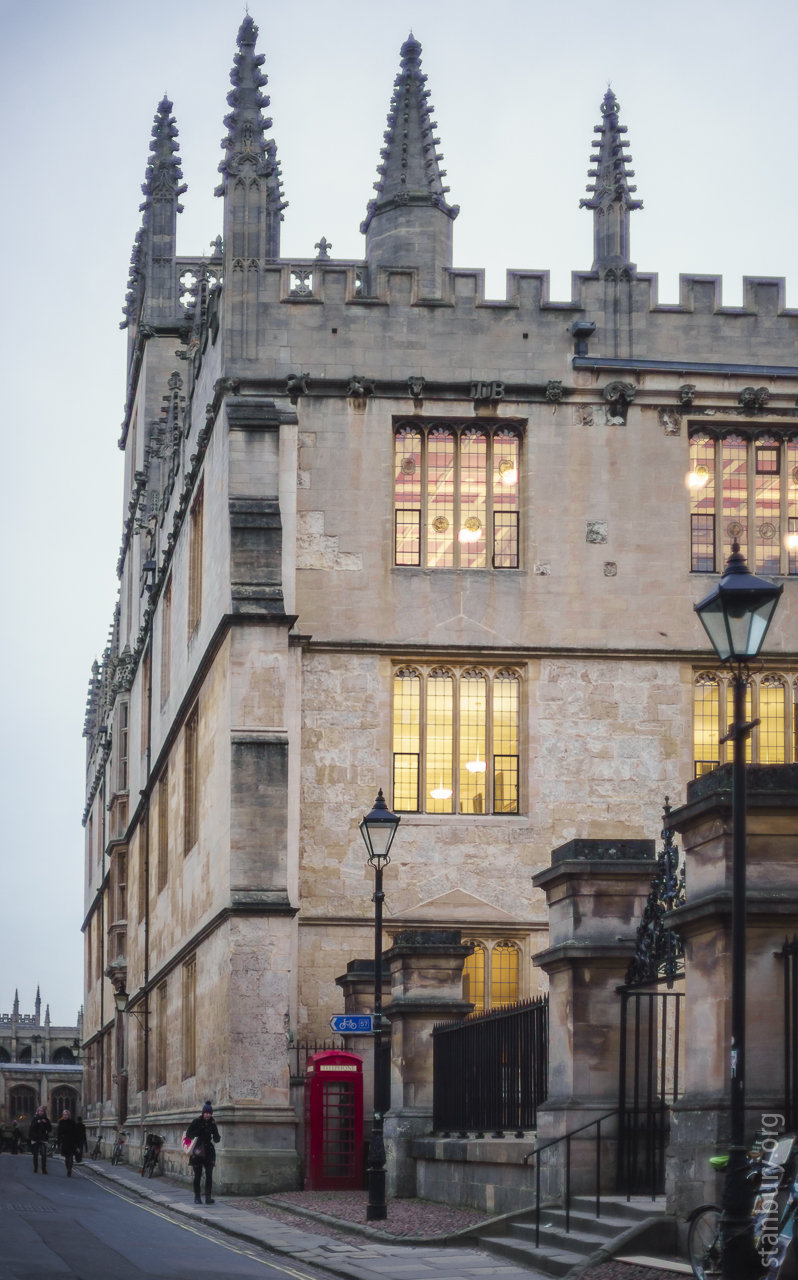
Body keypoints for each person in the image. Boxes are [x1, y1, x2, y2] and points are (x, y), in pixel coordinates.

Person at [185, 1101, 220, 1205]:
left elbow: (216, 1136)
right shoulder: (196, 1121)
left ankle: (208, 1197)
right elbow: (188, 1134)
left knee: (209, 1175)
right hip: (198, 1151)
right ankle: (197, 1196)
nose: (208, 1115)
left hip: (209, 1151)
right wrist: (198, 1132)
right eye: (206, 1113)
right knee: (198, 1175)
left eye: (209, 1113)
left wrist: (217, 1138)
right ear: (203, 1113)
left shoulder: (213, 1123)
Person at [29, 1106, 52, 1174]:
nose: (41, 1112)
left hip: (43, 1139)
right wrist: (38, 1122)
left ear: (44, 1112)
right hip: (35, 1139)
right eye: (39, 1111)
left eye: (42, 1111)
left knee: (44, 1155)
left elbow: (49, 1129)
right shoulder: (35, 1119)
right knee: (35, 1154)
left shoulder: (46, 1119)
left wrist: (46, 1123)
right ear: (37, 1112)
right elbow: (32, 1127)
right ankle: (35, 1168)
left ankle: (44, 1169)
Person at [56, 1109, 78, 1176]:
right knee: (66, 1157)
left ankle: (69, 1170)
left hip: (71, 1141)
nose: (65, 1116)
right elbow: (59, 1133)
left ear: (69, 1115)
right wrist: (58, 1142)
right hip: (64, 1142)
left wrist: (76, 1142)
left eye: (66, 1115)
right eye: (64, 1115)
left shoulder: (72, 1122)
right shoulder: (61, 1122)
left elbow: (75, 1133)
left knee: (70, 1156)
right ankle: (68, 1168)